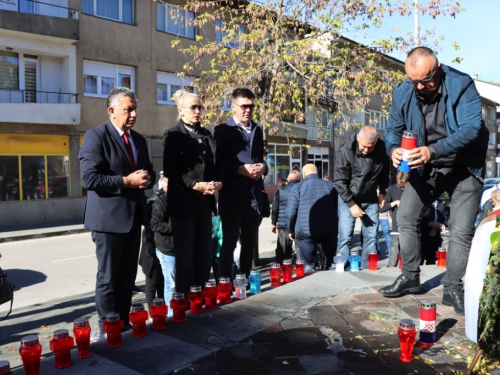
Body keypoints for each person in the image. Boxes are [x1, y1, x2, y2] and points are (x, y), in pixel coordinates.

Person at [379, 47, 489, 315]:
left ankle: (452, 288)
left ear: (438, 70)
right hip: (425, 167)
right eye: (412, 80)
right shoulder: (404, 91)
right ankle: (411, 276)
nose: (419, 86)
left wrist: (433, 151)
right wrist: (393, 150)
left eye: (425, 80)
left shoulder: (461, 84)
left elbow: (472, 128)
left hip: (463, 166)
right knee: (405, 216)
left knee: (460, 229)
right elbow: (392, 130)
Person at [79, 87, 155, 331]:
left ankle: (121, 326)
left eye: (135, 109)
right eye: (128, 109)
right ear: (112, 111)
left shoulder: (139, 140)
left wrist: (148, 178)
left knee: (127, 280)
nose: (133, 114)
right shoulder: (96, 136)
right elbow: (89, 179)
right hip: (108, 223)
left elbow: (148, 170)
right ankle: (108, 329)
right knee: (109, 280)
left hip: (133, 219)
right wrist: (126, 181)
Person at [162, 90, 221, 296]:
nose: (197, 111)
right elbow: (170, 170)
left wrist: (217, 183)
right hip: (184, 203)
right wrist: (194, 185)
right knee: (185, 257)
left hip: (204, 204)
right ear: (181, 110)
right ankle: (184, 303)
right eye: (193, 107)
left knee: (204, 255)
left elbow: (215, 166)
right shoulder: (173, 135)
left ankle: (202, 299)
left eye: (200, 107)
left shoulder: (206, 135)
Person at [213, 88, 268, 279]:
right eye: (244, 106)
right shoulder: (222, 131)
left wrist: (264, 168)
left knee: (249, 243)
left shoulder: (257, 129)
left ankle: (243, 281)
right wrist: (239, 169)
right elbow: (217, 164)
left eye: (251, 106)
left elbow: (261, 159)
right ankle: (225, 283)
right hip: (232, 198)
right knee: (229, 243)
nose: (248, 110)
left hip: (253, 198)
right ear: (233, 106)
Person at [334, 125, 389, 269]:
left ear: (376, 142)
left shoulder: (381, 148)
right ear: (358, 137)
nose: (366, 150)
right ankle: (341, 269)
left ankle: (368, 268)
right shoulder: (345, 151)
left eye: (370, 147)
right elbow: (339, 182)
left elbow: (385, 171)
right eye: (364, 146)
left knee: (371, 237)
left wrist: (382, 192)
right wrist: (351, 204)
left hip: (370, 198)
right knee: (345, 237)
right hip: (348, 198)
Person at [286, 164, 338, 269]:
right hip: (328, 229)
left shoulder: (298, 187)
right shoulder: (330, 185)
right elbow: (337, 207)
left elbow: (291, 212)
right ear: (317, 173)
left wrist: (290, 230)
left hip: (305, 231)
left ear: (303, 175)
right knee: (331, 263)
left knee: (307, 266)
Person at [138, 179, 166, 309]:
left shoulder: (159, 198)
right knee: (151, 284)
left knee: (161, 283)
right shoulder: (157, 201)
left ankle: (160, 308)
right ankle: (152, 311)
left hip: (158, 249)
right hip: (151, 252)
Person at [150, 179, 175, 316]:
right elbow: (155, 224)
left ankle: (178, 310)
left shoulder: (182, 200)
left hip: (180, 248)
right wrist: (174, 227)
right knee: (171, 284)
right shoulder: (161, 202)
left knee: (177, 283)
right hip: (167, 249)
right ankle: (171, 314)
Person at [380, 171, 408, 267]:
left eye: (404, 186)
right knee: (393, 256)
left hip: (409, 227)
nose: (402, 188)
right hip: (397, 227)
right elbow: (382, 208)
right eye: (400, 186)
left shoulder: (412, 189)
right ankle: (390, 272)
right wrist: (395, 202)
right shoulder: (392, 189)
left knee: (407, 255)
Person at [271, 170, 301, 264]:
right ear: (300, 178)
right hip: (299, 225)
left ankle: (279, 269)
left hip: (283, 224)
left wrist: (273, 223)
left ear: (288, 179)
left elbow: (275, 208)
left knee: (282, 250)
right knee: (300, 249)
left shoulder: (281, 190)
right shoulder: (302, 188)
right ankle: (301, 269)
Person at [420, 199, 448, 265]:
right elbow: (418, 220)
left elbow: (445, 218)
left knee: (432, 261)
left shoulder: (442, 205)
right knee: (420, 260)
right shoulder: (424, 202)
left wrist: (443, 224)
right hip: (423, 237)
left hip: (435, 238)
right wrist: (430, 224)